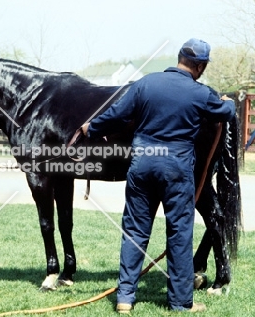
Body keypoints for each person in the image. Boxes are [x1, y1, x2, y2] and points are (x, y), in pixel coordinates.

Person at [81, 38, 235, 313]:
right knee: (179, 233)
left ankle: (125, 298)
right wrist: (230, 103)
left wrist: (90, 128)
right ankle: (179, 302)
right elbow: (224, 112)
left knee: (135, 231)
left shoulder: (145, 84)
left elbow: (116, 114)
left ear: (178, 59)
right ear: (199, 66)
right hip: (176, 168)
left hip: (142, 164)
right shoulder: (200, 93)